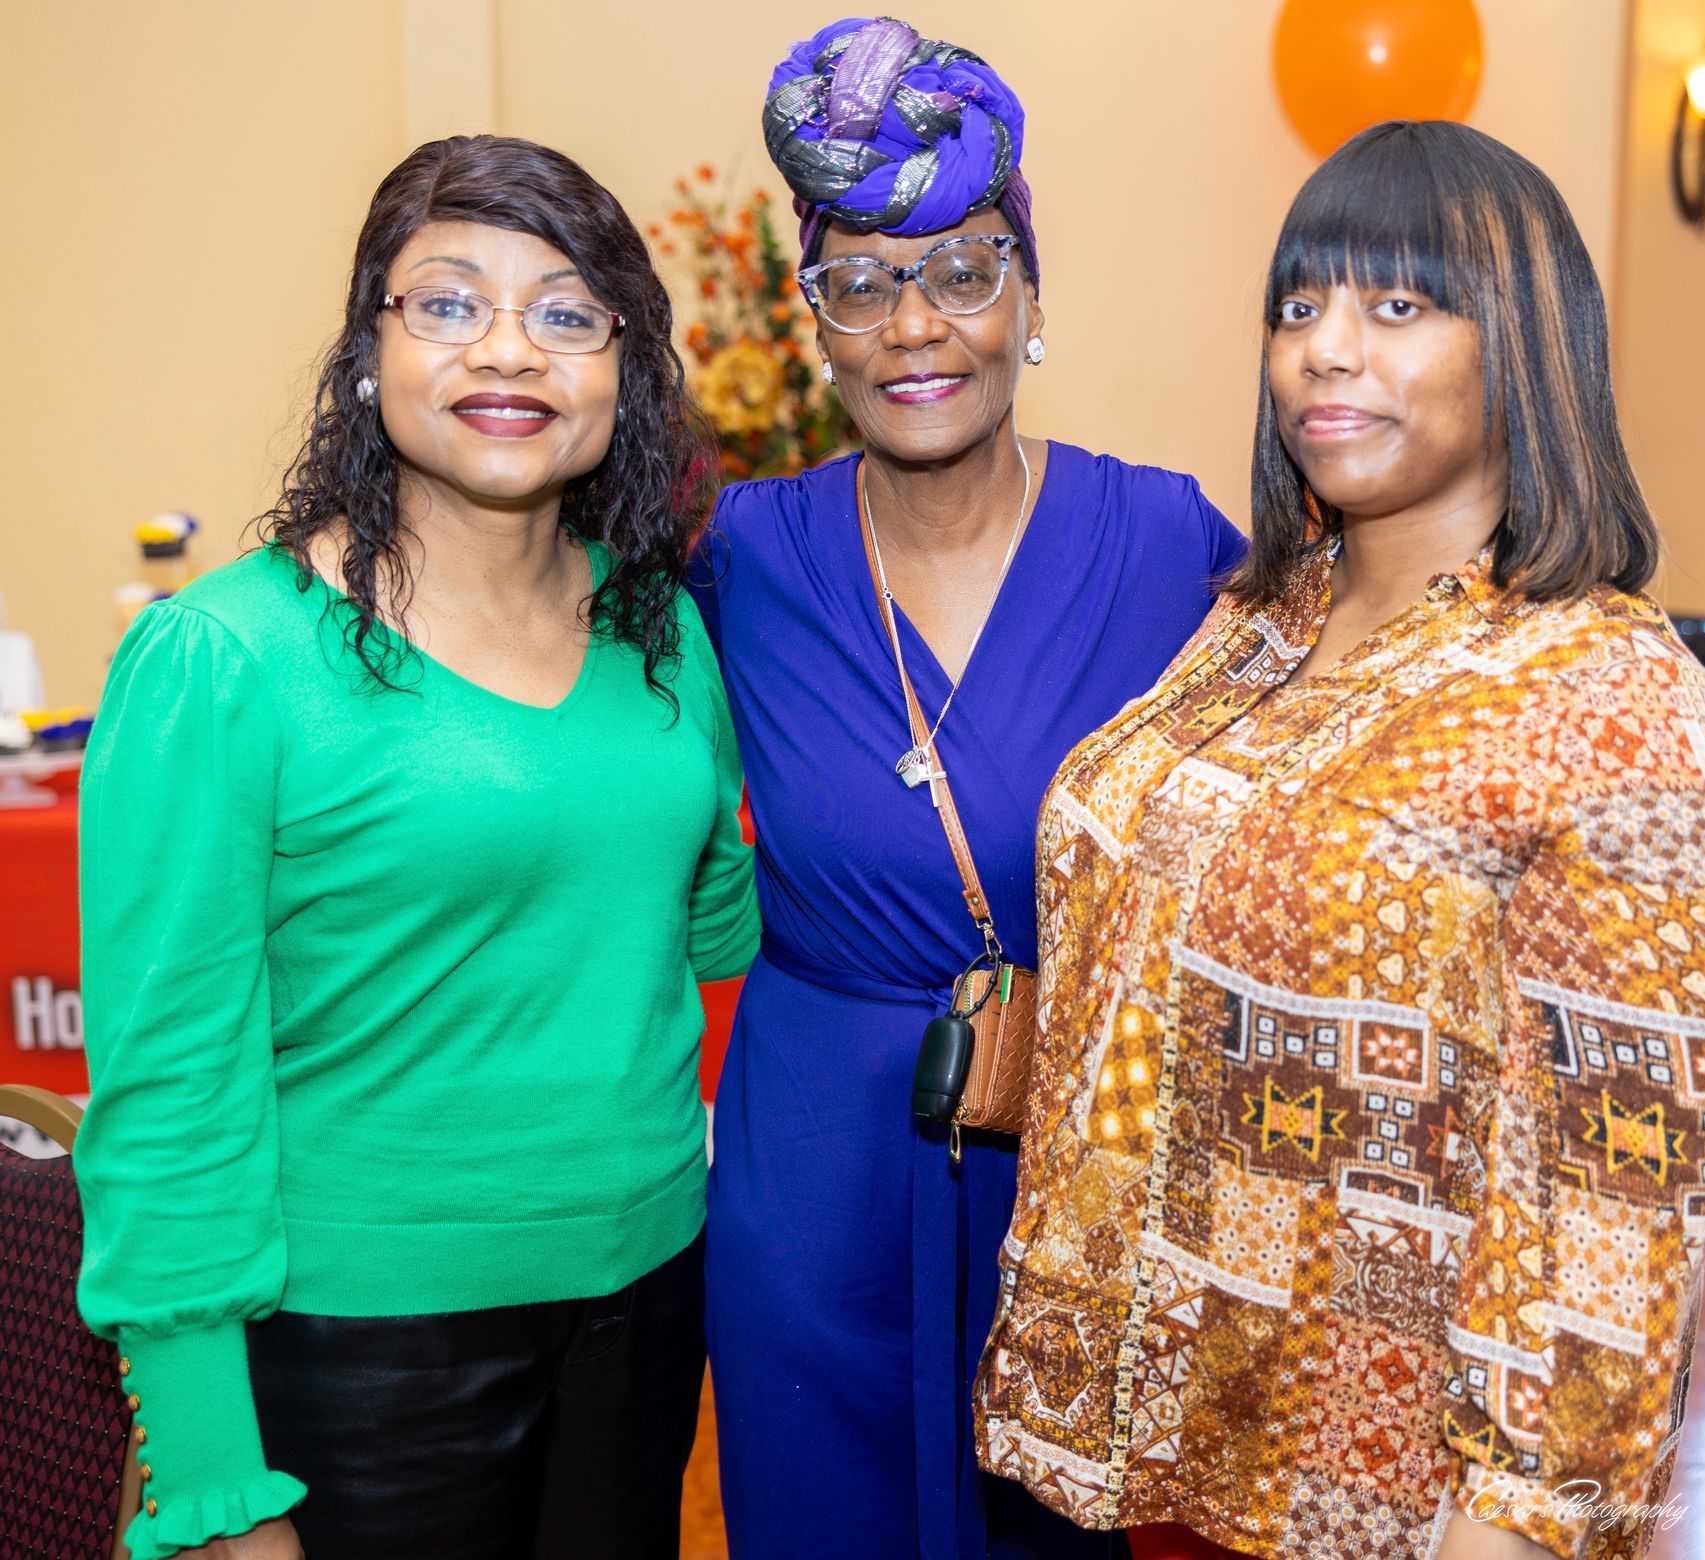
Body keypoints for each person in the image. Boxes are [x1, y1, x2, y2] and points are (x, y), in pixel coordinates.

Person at [977, 121, 1705, 1560]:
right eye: (1299, 306)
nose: (1324, 352)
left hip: (1371, 1505)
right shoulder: (1251, 628)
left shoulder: (1617, 708)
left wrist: (1514, 1530)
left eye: (1396, 306)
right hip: (1127, 1459)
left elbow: (1617, 1225)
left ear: (1525, 344)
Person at [74, 135, 757, 1560]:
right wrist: (208, 1476)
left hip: (648, 1303)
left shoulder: (663, 629)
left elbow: (710, 929)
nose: (508, 350)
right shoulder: (225, 657)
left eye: (568, 313)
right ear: (366, 349)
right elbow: (167, 1092)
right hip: (361, 1350)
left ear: (624, 369)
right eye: (446, 302)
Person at [693, 17, 1245, 1558]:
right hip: (814, 1167)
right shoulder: (747, 561)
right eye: (862, 283)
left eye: (964, 269)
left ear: (1033, 298)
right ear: (816, 323)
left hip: (1076, 1158)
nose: (915, 325)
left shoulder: (1168, 550)